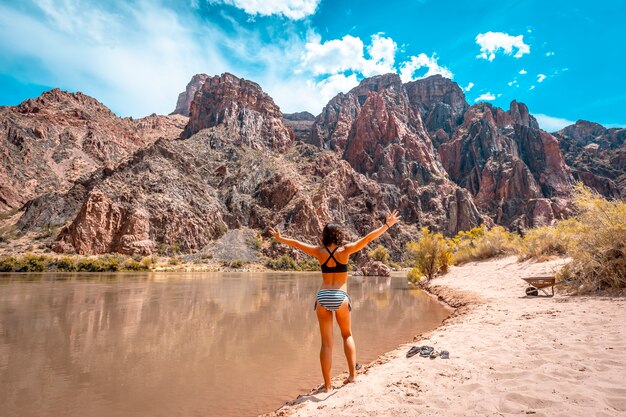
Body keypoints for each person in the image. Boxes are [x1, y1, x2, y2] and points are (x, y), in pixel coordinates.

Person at [269, 210, 401, 392]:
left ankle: (328, 386)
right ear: (339, 235)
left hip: (322, 297)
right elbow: (368, 239)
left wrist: (280, 238)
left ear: (324, 236)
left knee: (326, 343)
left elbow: (297, 244)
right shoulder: (345, 250)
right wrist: (387, 225)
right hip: (340, 296)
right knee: (347, 335)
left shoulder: (318, 251)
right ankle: (353, 376)